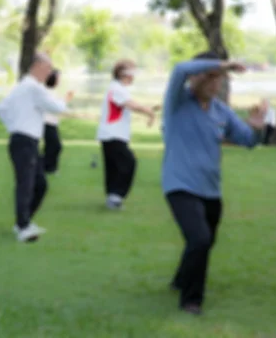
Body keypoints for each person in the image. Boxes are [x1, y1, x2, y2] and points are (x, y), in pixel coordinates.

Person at [162, 52, 267, 315]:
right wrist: (222, 63)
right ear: (196, 77)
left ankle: (179, 280)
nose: (215, 83)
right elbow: (179, 68)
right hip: (180, 184)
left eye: (219, 78)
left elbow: (248, 141)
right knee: (199, 238)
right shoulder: (177, 102)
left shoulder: (221, 111)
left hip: (210, 189)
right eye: (210, 77)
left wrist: (256, 127)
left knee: (204, 241)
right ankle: (191, 301)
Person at [0, 54, 71, 243]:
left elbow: (1, 108)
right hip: (24, 140)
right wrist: (66, 100)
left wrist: (12, 126)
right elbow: (55, 107)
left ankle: (24, 221)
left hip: (26, 141)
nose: (49, 73)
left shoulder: (22, 87)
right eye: (47, 68)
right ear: (36, 66)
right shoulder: (33, 88)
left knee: (41, 184)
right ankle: (22, 227)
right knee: (26, 184)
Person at [96, 60, 157, 210]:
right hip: (113, 134)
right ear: (124, 74)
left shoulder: (117, 88)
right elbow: (131, 105)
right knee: (128, 162)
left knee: (114, 166)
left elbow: (130, 104)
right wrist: (148, 112)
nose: (134, 76)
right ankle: (116, 195)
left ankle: (112, 196)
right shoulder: (117, 89)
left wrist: (149, 109)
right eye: (132, 73)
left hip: (111, 134)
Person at [43, 70, 63, 174]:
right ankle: (48, 166)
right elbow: (55, 107)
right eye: (58, 78)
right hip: (47, 122)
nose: (60, 80)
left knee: (52, 146)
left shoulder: (54, 91)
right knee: (55, 145)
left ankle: (49, 167)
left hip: (52, 122)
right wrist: (66, 100)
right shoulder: (47, 91)